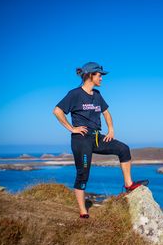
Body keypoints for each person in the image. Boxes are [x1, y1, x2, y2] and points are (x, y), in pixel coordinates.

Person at [53, 61, 148, 219]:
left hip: (97, 137)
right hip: (81, 139)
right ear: (91, 75)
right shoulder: (74, 94)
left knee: (123, 149)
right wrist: (71, 128)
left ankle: (129, 184)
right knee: (83, 174)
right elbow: (57, 111)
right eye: (100, 75)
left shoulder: (97, 95)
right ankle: (83, 211)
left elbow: (106, 112)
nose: (102, 78)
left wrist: (111, 129)